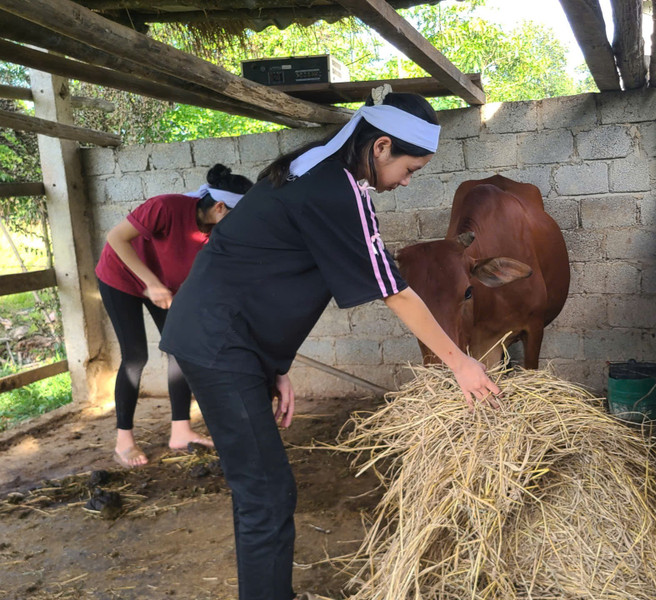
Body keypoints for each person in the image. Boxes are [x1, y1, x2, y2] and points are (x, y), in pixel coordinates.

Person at [159, 86, 501, 600]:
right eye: (410, 170)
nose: (407, 182)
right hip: (219, 345)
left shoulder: (308, 170)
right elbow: (394, 290)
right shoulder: (338, 188)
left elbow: (260, 269)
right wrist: (460, 364)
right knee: (268, 496)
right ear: (381, 146)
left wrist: (274, 365)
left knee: (261, 492)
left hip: (227, 339)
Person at [96, 164, 253, 468]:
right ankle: (123, 442)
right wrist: (151, 283)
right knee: (135, 356)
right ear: (220, 208)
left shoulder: (215, 236)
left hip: (164, 286)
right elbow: (116, 238)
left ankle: (180, 431)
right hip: (121, 278)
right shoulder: (166, 207)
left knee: (180, 351)